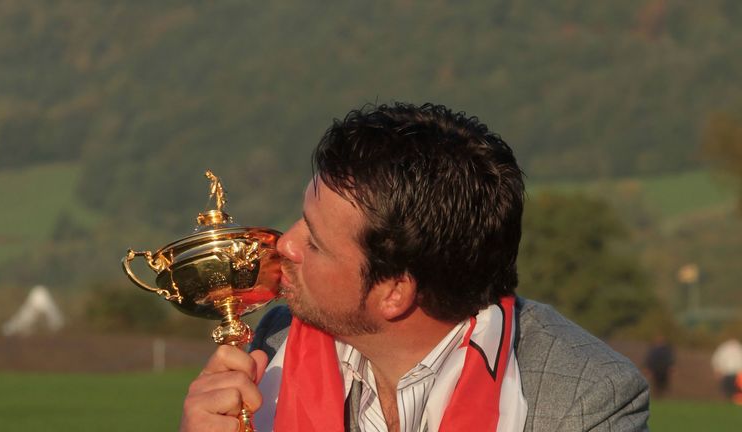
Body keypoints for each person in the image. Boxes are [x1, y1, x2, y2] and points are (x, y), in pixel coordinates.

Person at [180, 103, 650, 431]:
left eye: (316, 243)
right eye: (302, 218)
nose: (286, 244)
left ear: (394, 292)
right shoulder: (274, 344)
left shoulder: (582, 399)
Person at [711, 338, 742, 404]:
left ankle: (737, 401)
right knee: (727, 389)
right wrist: (717, 370)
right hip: (726, 374)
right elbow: (717, 359)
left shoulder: (739, 348)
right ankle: (729, 401)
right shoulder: (723, 349)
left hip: (738, 374)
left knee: (737, 390)